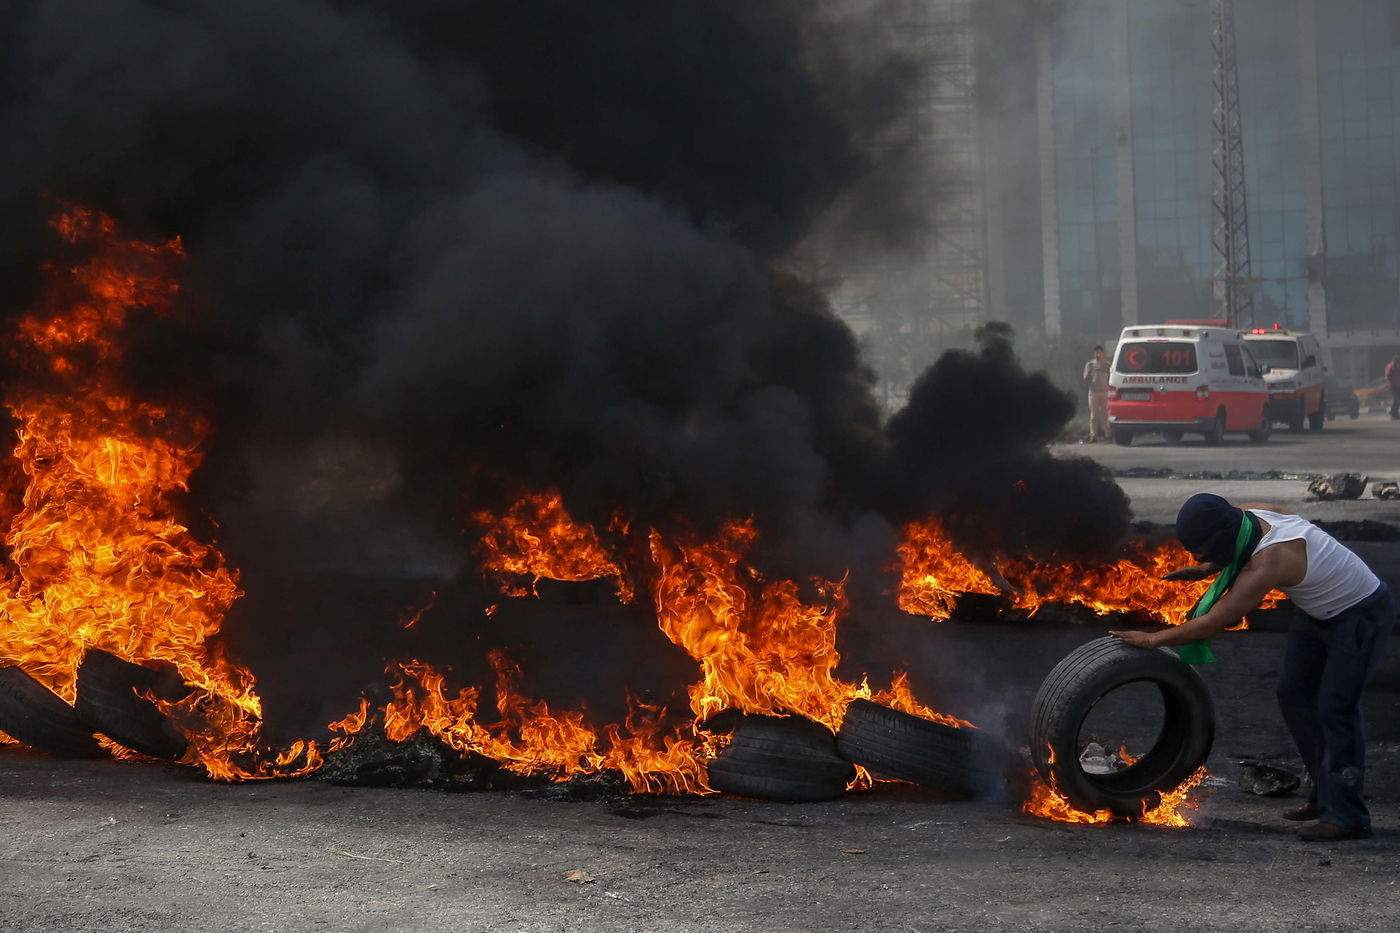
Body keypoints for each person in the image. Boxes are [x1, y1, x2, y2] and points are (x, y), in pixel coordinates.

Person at [1111, 493, 1394, 842]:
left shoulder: (1270, 561)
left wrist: (1153, 640)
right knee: (1294, 696)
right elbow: (1272, 525)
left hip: (1360, 614)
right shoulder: (1249, 515)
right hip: (1318, 610)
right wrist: (1208, 566)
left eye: (1207, 551)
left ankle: (1348, 816)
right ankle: (1325, 796)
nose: (1203, 557)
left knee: (1336, 709)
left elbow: (1217, 620)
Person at [1083, 345, 1111, 442]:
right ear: (1094, 353)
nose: (1098, 354)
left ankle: (1108, 434)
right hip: (1093, 392)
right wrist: (1089, 372)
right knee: (1094, 415)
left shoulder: (1107, 365)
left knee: (1106, 414)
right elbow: (1086, 378)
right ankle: (1093, 435)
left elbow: (1110, 379)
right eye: (1096, 352)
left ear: (1103, 353)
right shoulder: (1090, 364)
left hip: (1105, 392)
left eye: (1100, 352)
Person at [1386, 354, 1400, 420]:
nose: (1398, 362)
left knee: (1398, 400)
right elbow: (1387, 376)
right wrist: (1389, 384)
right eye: (1397, 360)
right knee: (1396, 399)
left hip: (1398, 385)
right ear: (1394, 360)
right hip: (1393, 385)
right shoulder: (1390, 366)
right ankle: (1392, 412)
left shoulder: (1397, 366)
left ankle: (1395, 414)